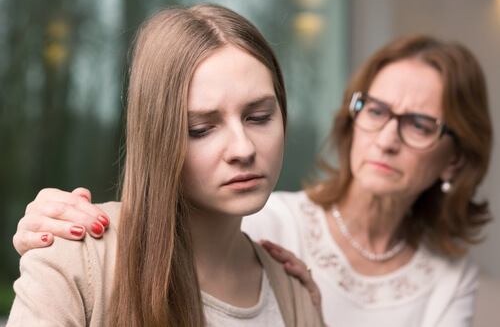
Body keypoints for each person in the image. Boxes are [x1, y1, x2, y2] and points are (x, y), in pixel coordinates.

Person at [13, 34, 492, 327]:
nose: (387, 138)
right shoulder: (268, 214)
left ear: (455, 160)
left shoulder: (294, 287)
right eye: (378, 111)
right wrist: (52, 237)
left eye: (420, 124)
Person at [7, 4, 323, 326]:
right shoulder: (78, 260)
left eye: (259, 117)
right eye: (200, 129)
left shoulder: (293, 290)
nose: (243, 148)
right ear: (158, 138)